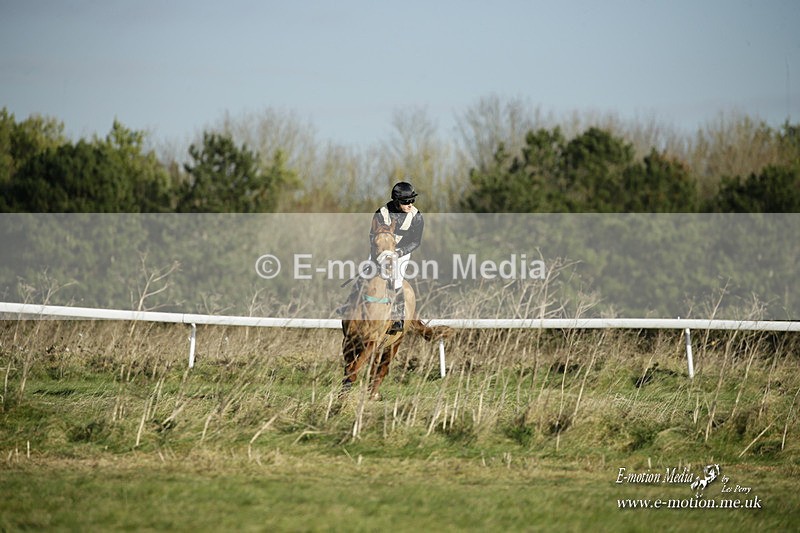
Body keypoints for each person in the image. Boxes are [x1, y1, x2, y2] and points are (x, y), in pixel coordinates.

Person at [370, 181, 424, 333]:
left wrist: (398, 253)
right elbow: (371, 235)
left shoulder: (416, 217)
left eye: (412, 200)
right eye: (406, 201)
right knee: (366, 272)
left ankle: (398, 316)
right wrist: (379, 254)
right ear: (396, 201)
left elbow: (416, 241)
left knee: (397, 278)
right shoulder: (382, 213)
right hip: (380, 250)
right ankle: (350, 305)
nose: (410, 204)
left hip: (401, 252)